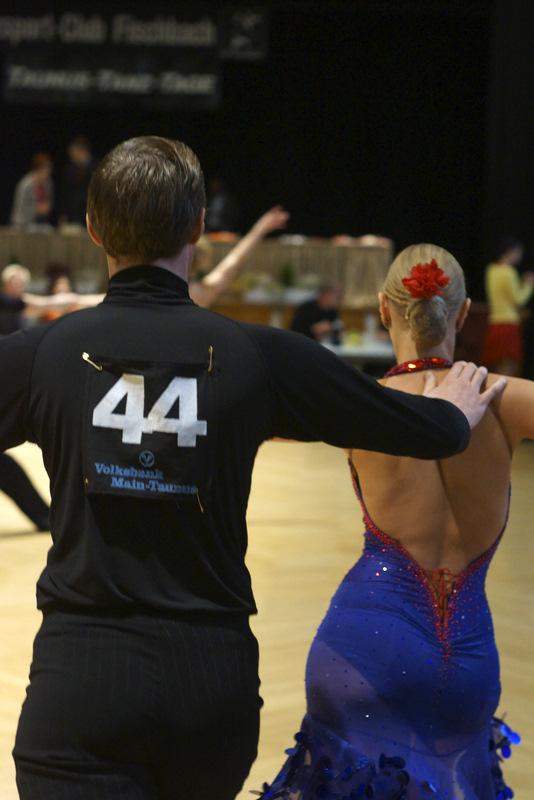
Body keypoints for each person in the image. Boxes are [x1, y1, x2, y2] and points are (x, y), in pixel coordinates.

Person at [0, 137, 504, 800]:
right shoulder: (258, 355)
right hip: (210, 692)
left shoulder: (43, 354)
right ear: (199, 227)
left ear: (93, 229)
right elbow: (414, 426)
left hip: (80, 685)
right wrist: (454, 415)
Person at [261, 245, 529, 800]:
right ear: (463, 313)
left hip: (365, 652)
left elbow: (248, 409)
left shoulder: (361, 403)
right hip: (470, 663)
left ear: (385, 309)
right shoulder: (506, 400)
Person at [482, 236, 534, 375]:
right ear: (511, 251)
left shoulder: (491, 270)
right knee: (508, 369)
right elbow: (518, 300)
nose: (520, 256)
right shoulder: (509, 272)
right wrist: (529, 284)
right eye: (519, 252)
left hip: (494, 323)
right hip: (509, 323)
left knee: (498, 367)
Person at [58, 136, 97, 228]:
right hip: (72, 215)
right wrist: (63, 214)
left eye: (74, 151)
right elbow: (65, 193)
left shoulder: (96, 167)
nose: (71, 155)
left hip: (89, 212)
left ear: (82, 150)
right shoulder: (70, 170)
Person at [10, 151, 54, 229]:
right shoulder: (26, 184)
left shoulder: (48, 183)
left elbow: (49, 201)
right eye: (46, 168)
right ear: (38, 169)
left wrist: (46, 207)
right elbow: (20, 206)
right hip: (22, 223)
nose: (48, 171)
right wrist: (36, 208)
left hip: (39, 222)